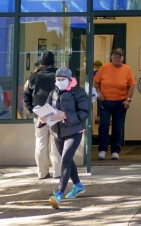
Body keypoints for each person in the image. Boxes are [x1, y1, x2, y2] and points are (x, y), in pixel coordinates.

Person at [44, 67, 90, 209]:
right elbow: (47, 108)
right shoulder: (53, 92)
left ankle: (58, 194)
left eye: (62, 79)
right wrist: (42, 118)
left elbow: (84, 113)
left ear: (70, 80)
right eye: (57, 79)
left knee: (65, 160)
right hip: (57, 132)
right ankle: (78, 186)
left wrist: (65, 116)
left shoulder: (79, 92)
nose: (59, 82)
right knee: (68, 161)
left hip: (74, 131)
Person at [93, 47, 136, 160]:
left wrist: (128, 100)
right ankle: (102, 149)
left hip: (120, 102)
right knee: (104, 125)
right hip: (105, 101)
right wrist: (98, 93)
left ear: (123, 58)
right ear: (111, 57)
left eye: (119, 56)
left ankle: (115, 151)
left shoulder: (127, 69)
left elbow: (132, 85)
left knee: (118, 126)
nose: (117, 58)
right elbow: (96, 82)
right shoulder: (104, 67)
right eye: (115, 56)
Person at [23, 51, 60, 180]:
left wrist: (32, 111)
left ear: (41, 62)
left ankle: (42, 173)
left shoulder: (33, 77)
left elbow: (26, 95)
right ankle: (58, 172)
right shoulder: (58, 76)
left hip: (40, 113)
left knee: (40, 142)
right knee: (55, 142)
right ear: (53, 62)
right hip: (55, 112)